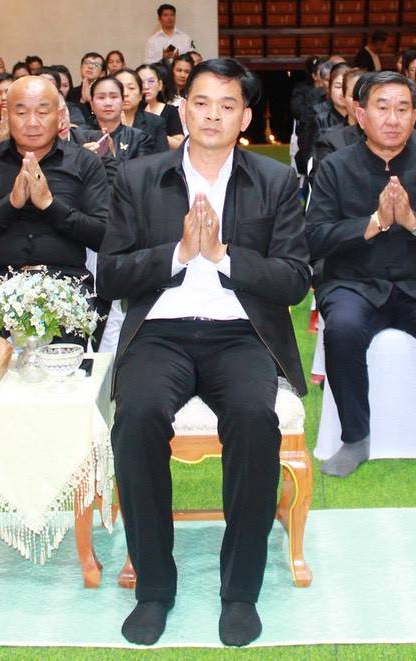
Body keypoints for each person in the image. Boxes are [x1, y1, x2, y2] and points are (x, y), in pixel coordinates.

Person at [97, 58, 309, 648]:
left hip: (241, 333)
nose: (213, 114)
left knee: (252, 420)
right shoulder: (139, 177)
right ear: (182, 108)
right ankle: (154, 589)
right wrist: (176, 254)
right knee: (136, 418)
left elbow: (294, 280)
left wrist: (223, 257)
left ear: (245, 117)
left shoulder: (275, 181)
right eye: (202, 102)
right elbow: (111, 276)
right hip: (160, 333)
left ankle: (239, 591)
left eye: (228, 105)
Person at [306, 71, 416, 481]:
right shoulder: (334, 168)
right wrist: (375, 222)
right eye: (382, 108)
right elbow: (315, 237)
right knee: (342, 328)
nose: (393, 119)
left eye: (403, 109)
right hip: (355, 283)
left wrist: (414, 222)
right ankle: (354, 438)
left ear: (415, 116)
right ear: (360, 115)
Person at [0, 76, 110, 315]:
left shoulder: (85, 162)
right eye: (21, 113)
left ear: (59, 116)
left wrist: (49, 204)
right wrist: (10, 204)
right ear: (6, 116)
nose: (32, 123)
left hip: (67, 286)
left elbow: (104, 236)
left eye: (43, 112)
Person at [71, 74, 157, 185]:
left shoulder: (140, 138)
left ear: (122, 101)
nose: (108, 103)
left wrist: (111, 155)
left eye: (114, 97)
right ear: (91, 104)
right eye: (101, 97)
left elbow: (140, 179)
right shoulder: (78, 135)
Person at [113, 67, 169, 147]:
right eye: (120, 88)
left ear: (140, 95)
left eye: (131, 88)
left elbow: (162, 157)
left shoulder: (155, 123)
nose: (125, 93)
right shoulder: (101, 121)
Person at [138, 62, 184, 149]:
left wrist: (154, 131)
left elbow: (180, 144)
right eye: (140, 82)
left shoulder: (170, 111)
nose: (146, 86)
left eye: (151, 81)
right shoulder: (128, 110)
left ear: (160, 85)